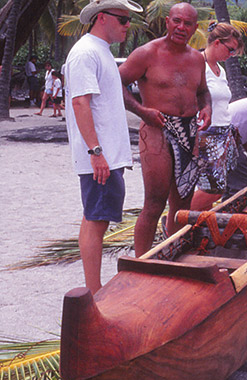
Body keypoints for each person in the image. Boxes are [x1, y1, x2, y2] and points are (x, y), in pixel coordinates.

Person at [119, 2, 212, 256]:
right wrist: (142, 111)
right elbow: (116, 84)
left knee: (182, 203)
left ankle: (174, 252)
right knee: (154, 203)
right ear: (168, 21)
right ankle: (142, 263)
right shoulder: (147, 53)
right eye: (177, 21)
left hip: (190, 132)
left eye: (188, 23)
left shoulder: (196, 59)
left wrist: (207, 108)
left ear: (195, 27)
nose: (182, 27)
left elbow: (203, 92)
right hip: (157, 131)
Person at [64, 0, 143, 293]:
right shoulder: (86, 53)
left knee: (94, 217)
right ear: (102, 19)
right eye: (123, 20)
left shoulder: (101, 52)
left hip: (107, 154)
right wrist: (96, 152)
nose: (127, 26)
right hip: (101, 155)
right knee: (96, 220)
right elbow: (80, 102)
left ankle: (93, 287)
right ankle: (94, 290)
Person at [188, 21, 243, 212]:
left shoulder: (221, 70)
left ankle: (197, 226)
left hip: (223, 133)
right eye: (230, 50)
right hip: (205, 134)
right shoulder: (197, 64)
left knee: (213, 186)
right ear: (217, 43)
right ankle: (176, 223)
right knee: (213, 189)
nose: (231, 55)